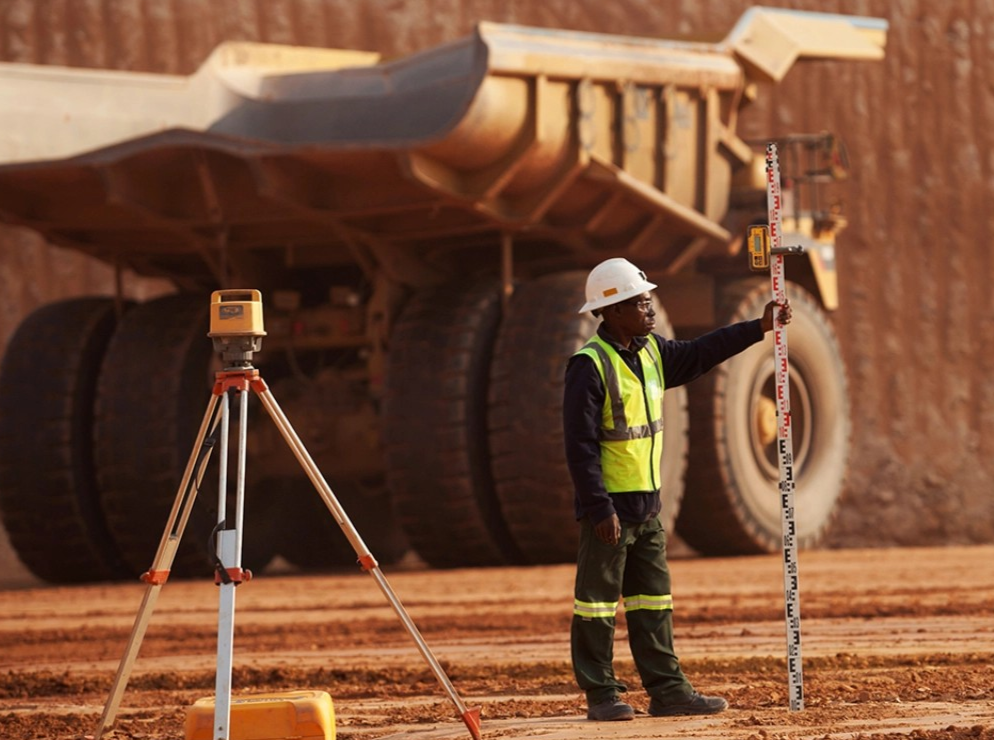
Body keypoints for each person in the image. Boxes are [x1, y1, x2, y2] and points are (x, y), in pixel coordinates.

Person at [563, 257, 792, 722]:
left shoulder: (651, 352)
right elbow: (579, 446)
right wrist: (597, 506)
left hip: (647, 506)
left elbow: (699, 352)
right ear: (612, 311)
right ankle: (601, 694)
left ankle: (668, 691)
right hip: (609, 509)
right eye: (640, 302)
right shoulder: (589, 366)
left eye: (648, 300)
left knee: (654, 603)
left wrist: (758, 327)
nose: (650, 309)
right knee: (596, 606)